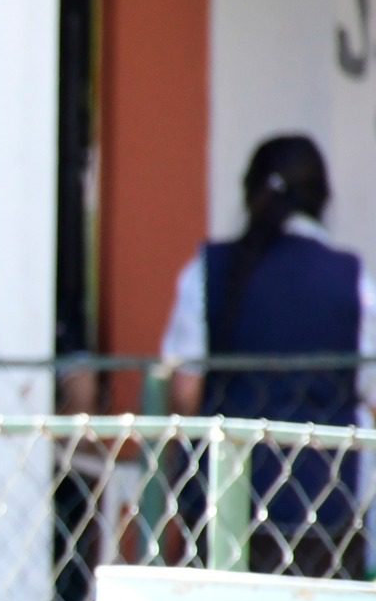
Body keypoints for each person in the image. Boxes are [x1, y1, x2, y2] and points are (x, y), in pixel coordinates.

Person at [159, 133, 376, 578]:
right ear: (322, 199)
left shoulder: (208, 270)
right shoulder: (352, 281)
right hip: (325, 506)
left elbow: (184, 392)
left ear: (249, 191)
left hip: (224, 505)